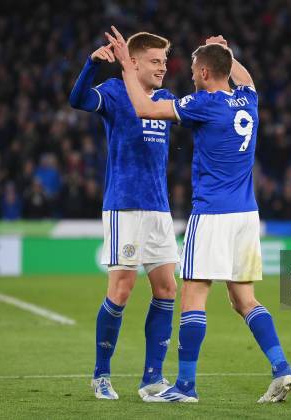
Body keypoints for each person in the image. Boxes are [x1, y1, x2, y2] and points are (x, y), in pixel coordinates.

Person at [105, 27, 291, 403]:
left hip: (212, 215)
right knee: (244, 300)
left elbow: (145, 109)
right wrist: (222, 51)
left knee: (193, 296)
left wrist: (127, 68)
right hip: (246, 216)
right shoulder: (248, 101)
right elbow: (245, 77)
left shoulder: (202, 103)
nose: (190, 75)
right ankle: (282, 368)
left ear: (206, 74)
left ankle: (185, 386)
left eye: (195, 69)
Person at [69, 32, 179, 400]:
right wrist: (92, 64)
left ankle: (152, 380)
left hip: (159, 208)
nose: (163, 67)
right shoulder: (115, 91)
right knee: (122, 289)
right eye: (155, 60)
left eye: (165, 61)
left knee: (167, 289)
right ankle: (101, 375)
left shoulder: (166, 100)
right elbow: (79, 99)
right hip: (125, 206)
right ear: (133, 62)